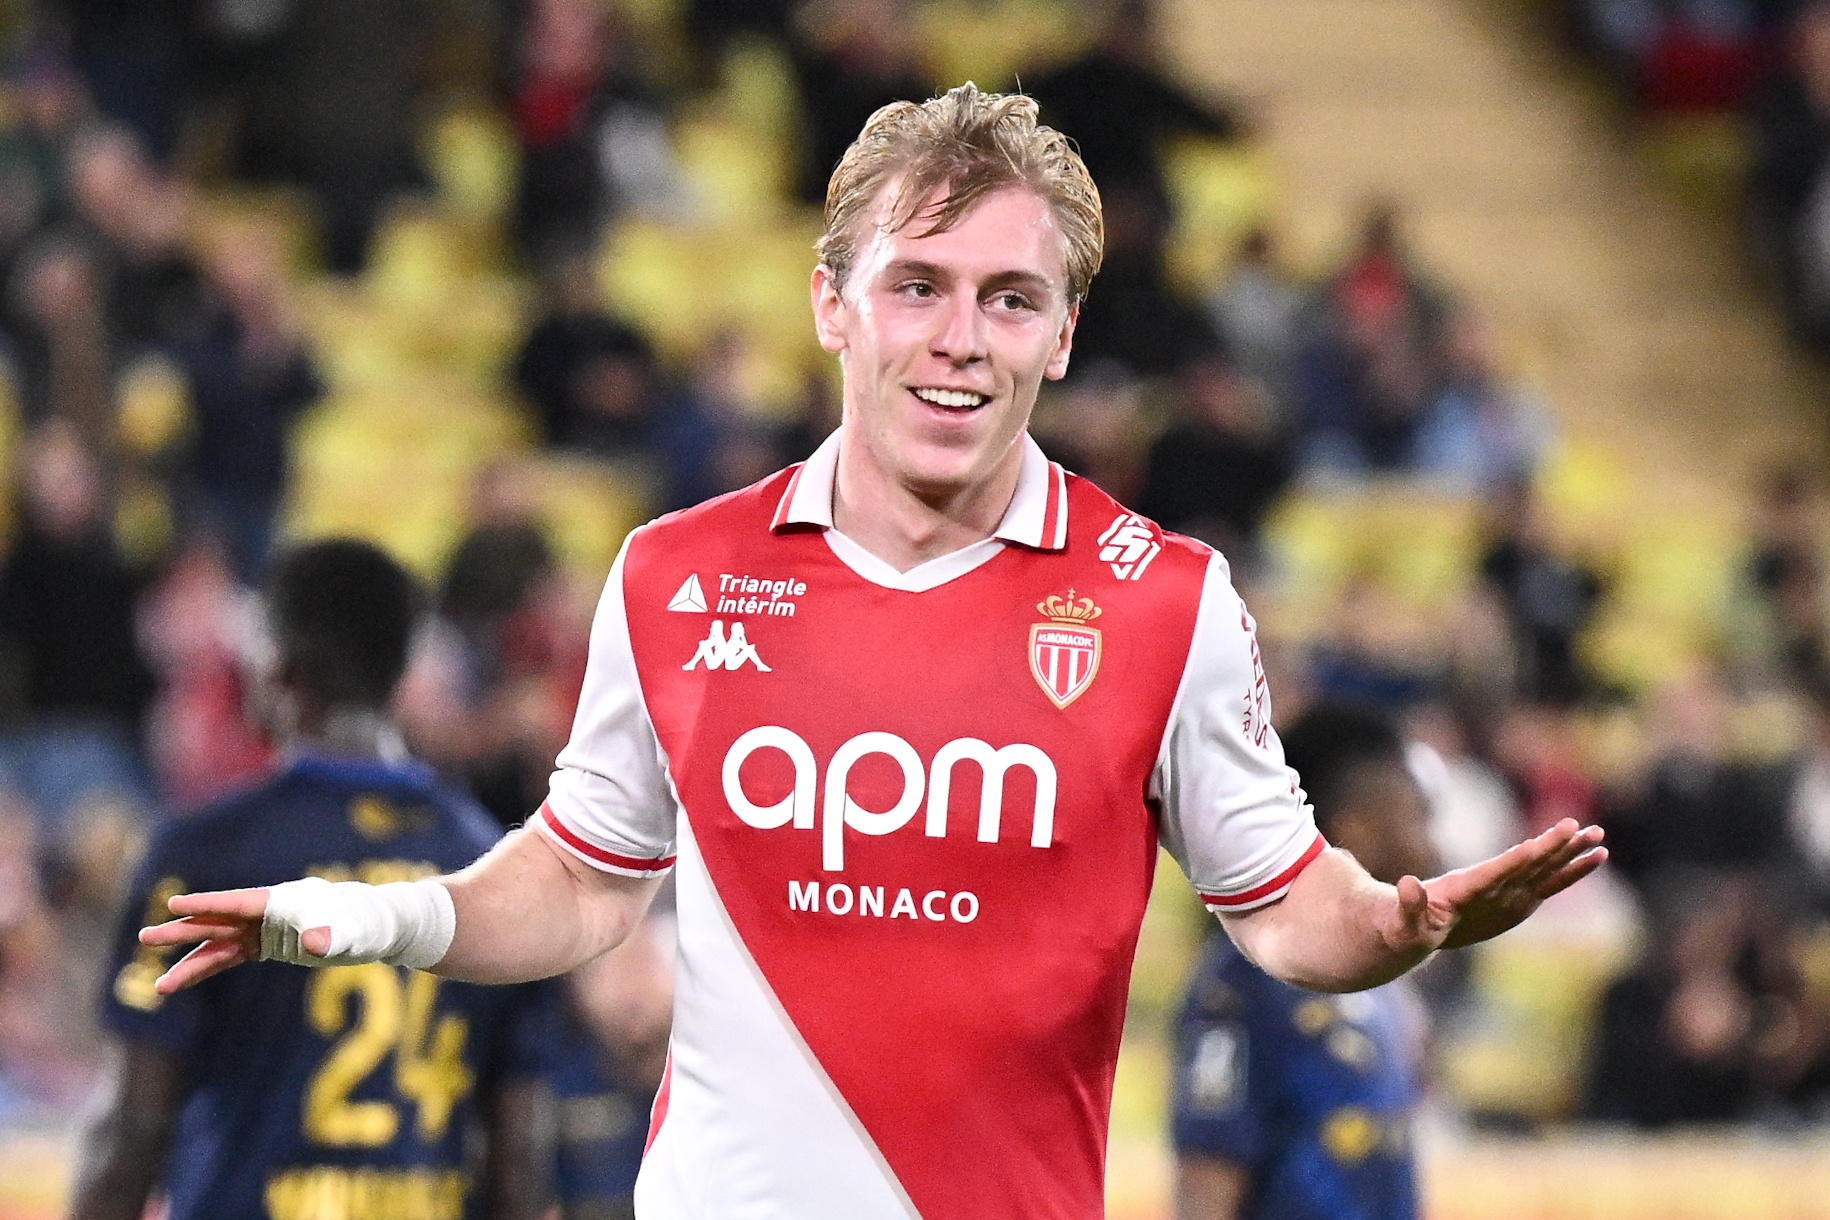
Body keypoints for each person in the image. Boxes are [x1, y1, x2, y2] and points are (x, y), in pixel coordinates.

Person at [139, 87, 1607, 1219]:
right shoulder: (676, 575)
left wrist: (1403, 925)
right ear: (831, 304)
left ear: (1064, 336)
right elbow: (580, 884)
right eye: (918, 284)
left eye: (1009, 297)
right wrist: (354, 920)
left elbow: (1286, 910)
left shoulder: (1164, 602)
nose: (961, 336)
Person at [69, 540, 560, 1220]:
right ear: (403, 671)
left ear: (276, 666)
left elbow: (136, 1126)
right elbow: (520, 1154)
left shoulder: (205, 855)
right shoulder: (491, 862)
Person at [1172, 700, 1438, 1220]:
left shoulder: (1387, 986)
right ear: (1357, 828)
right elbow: (1206, 1181)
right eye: (1416, 818)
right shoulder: (1243, 984)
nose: (1431, 848)